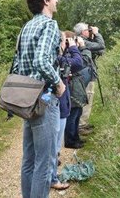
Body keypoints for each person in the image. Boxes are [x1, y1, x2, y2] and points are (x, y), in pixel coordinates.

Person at [14, 0, 65, 198]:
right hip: (44, 99)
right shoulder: (49, 25)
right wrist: (59, 83)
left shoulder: (27, 26)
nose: (56, 0)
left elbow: (17, 64)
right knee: (44, 163)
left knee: (29, 160)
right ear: (46, 0)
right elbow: (42, 61)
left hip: (27, 98)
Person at [50, 32, 83, 190]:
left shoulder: (58, 56)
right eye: (64, 41)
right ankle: (52, 178)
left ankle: (50, 175)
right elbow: (78, 63)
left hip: (61, 105)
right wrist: (75, 47)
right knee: (55, 145)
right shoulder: (59, 58)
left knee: (54, 144)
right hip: (59, 107)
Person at [73, 22, 105, 134]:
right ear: (82, 32)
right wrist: (97, 34)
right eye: (88, 29)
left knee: (87, 98)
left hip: (84, 74)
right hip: (86, 75)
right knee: (87, 98)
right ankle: (81, 125)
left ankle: (83, 124)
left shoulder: (85, 41)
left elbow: (100, 51)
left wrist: (93, 38)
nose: (90, 31)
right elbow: (101, 45)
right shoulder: (82, 41)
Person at [64, 31, 92, 149]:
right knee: (73, 113)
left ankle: (75, 137)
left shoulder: (69, 52)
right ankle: (70, 140)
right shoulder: (68, 53)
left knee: (77, 111)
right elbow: (84, 61)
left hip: (76, 85)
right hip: (73, 86)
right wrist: (83, 47)